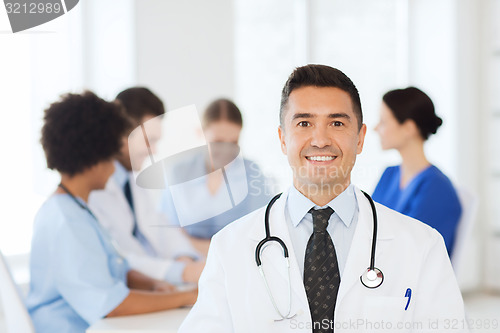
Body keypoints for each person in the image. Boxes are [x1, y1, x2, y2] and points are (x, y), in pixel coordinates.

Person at [179, 65, 467, 332]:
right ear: (282, 139)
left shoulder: (422, 246)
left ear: (360, 138)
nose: (320, 139)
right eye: (304, 123)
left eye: (337, 124)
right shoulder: (229, 247)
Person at [26, 92, 197, 333]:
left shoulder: (77, 210)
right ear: (93, 158)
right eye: (111, 156)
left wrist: (152, 284)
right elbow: (111, 304)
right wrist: (188, 296)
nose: (113, 167)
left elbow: (113, 267)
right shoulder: (67, 222)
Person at [89, 87, 204, 285]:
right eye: (149, 141)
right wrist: (182, 272)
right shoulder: (93, 190)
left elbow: (159, 228)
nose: (153, 151)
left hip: (156, 283)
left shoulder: (132, 181)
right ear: (122, 132)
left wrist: (183, 258)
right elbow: (116, 257)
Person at [159, 98, 272, 255]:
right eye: (218, 142)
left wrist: (193, 243)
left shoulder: (252, 174)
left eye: (234, 142)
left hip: (238, 265)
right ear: (201, 133)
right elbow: (168, 235)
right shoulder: (178, 173)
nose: (226, 151)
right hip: (188, 267)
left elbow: (260, 235)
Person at [372, 87, 462, 255]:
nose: (376, 128)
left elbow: (416, 251)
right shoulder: (389, 174)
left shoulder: (437, 188)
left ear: (408, 128)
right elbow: (368, 225)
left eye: (383, 122)